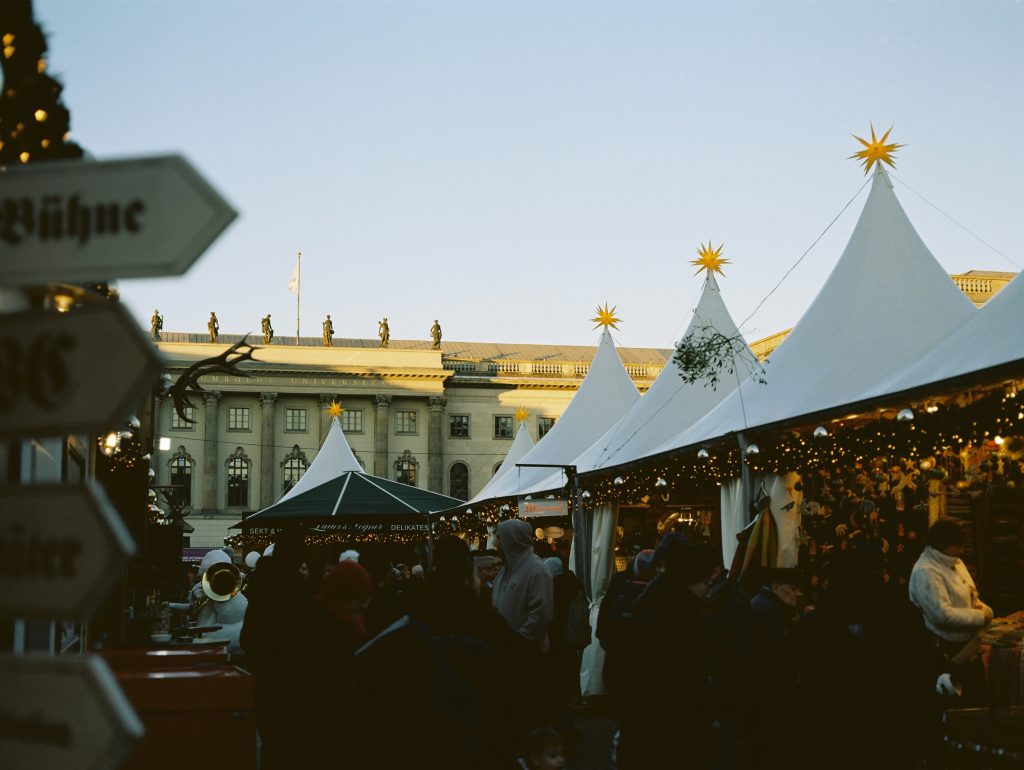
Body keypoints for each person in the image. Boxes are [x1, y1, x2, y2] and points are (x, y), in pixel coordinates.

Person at [616, 537, 722, 769]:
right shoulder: (673, 606)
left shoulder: (663, 598)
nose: (708, 588)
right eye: (706, 582)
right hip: (665, 721)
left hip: (655, 719)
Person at [909, 519, 992, 703]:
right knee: (956, 705)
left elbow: (972, 596)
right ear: (942, 544)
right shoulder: (926, 571)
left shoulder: (955, 562)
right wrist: (980, 616)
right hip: (949, 653)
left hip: (969, 648)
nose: (962, 551)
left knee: (975, 700)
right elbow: (941, 615)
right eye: (958, 546)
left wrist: (984, 609)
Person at [492, 518, 554, 651]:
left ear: (511, 539)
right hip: (506, 651)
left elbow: (540, 617)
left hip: (526, 655)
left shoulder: (537, 571)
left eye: (499, 537)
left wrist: (516, 642)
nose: (494, 543)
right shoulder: (504, 572)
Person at [544, 556, 587, 706]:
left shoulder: (551, 587)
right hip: (570, 632)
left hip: (556, 633)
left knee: (558, 664)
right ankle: (572, 694)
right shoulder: (573, 583)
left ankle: (560, 695)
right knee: (570, 663)